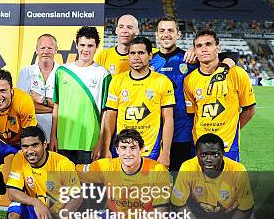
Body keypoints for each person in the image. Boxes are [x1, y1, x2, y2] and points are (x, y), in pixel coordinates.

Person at [151, 16, 238, 172]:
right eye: (162, 31)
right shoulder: (148, 60)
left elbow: (230, 56)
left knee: (183, 183)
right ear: (156, 35)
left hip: (182, 134)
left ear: (179, 34)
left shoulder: (190, 58)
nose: (166, 34)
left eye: (171, 30)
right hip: (153, 134)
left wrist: (224, 67)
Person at [101, 36, 175, 167]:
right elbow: (110, 117)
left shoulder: (162, 81)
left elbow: (168, 119)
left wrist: (166, 153)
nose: (136, 57)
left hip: (151, 149)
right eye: (132, 53)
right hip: (123, 149)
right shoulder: (117, 81)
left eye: (141, 53)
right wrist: (105, 148)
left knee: (148, 187)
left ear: (150, 55)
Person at [183, 29, 256, 162]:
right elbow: (193, 113)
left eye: (208, 44)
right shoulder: (189, 80)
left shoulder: (237, 74)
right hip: (199, 144)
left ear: (218, 48)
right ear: (195, 51)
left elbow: (249, 110)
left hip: (227, 146)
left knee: (228, 183)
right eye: (199, 46)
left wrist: (233, 128)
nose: (204, 49)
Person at [50, 26, 111, 164]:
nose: (86, 49)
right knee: (62, 184)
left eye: (90, 46)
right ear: (76, 45)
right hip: (63, 141)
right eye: (82, 45)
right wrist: (53, 136)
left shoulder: (103, 74)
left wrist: (99, 142)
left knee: (87, 185)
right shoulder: (62, 71)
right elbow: (56, 105)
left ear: (96, 47)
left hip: (89, 142)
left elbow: (105, 113)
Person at [0, 68, 37, 196]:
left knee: (27, 175)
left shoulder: (24, 100)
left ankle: (23, 208)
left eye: (3, 91)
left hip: (20, 141)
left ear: (11, 90)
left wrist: (24, 162)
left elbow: (29, 136)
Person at [17, 34, 58, 142]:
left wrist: (40, 99)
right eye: (42, 48)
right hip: (33, 134)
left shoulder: (63, 72)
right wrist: (55, 107)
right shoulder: (26, 72)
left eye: (50, 48)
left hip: (58, 134)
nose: (46, 51)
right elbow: (23, 107)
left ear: (56, 50)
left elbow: (67, 107)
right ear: (36, 50)